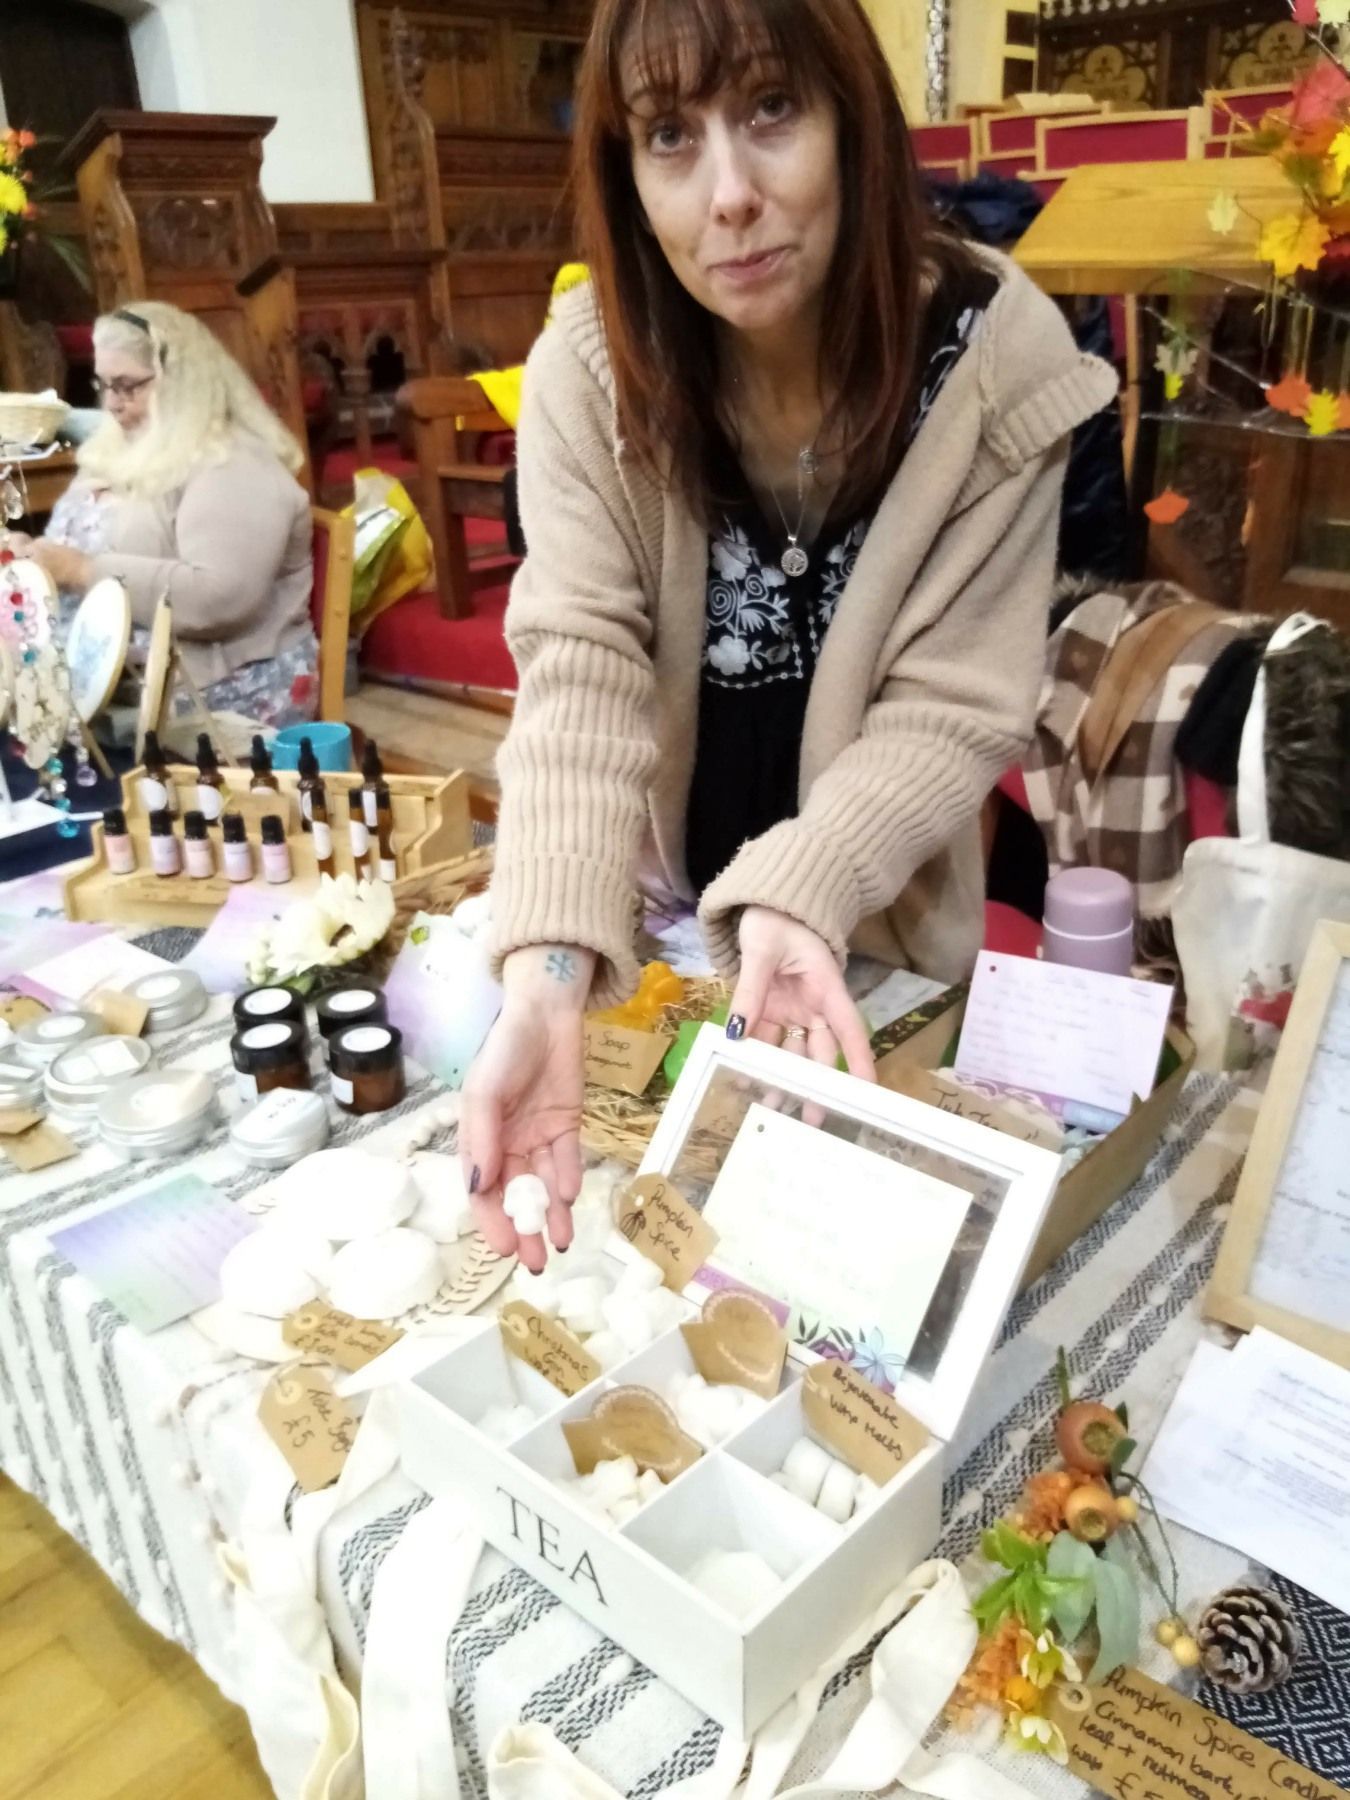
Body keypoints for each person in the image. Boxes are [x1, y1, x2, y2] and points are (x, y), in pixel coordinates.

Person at [462, 0, 1117, 1269]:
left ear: (852, 119)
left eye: (771, 110)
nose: (729, 197)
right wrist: (546, 979)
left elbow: (951, 705)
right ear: (623, 173)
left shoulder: (991, 357)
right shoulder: (593, 370)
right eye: (667, 135)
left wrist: (800, 892)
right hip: (654, 924)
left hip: (878, 938)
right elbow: (580, 675)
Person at [9, 301, 317, 729]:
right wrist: (31, 560)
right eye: (104, 385)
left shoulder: (232, 464)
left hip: (222, 695)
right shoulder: (119, 448)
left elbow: (218, 596)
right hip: (118, 683)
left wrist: (80, 569)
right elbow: (71, 546)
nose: (112, 403)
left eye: (127, 386)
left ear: (181, 382)